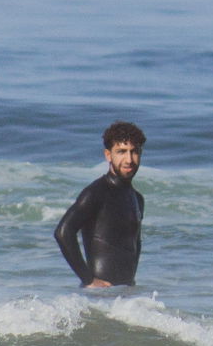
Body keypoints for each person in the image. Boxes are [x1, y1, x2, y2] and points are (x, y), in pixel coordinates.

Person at [54, 121, 146, 287]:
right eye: (121, 152)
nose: (129, 159)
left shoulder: (137, 198)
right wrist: (88, 279)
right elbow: (63, 232)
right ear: (108, 155)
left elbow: (133, 247)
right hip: (100, 296)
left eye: (134, 152)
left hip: (125, 297)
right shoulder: (96, 193)